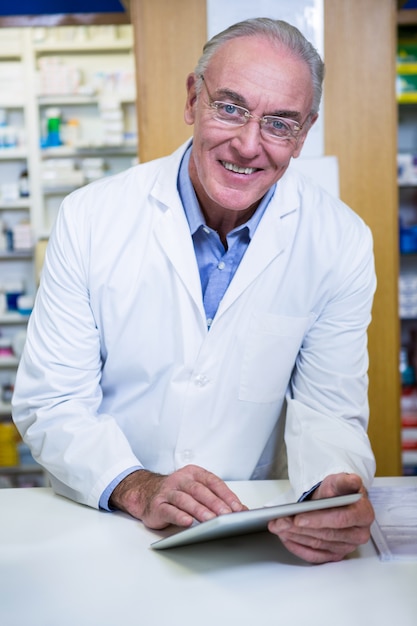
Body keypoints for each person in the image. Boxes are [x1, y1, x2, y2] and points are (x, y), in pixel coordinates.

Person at [12, 17, 376, 564]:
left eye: (280, 123)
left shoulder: (340, 240)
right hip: (106, 521)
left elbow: (329, 410)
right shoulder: (91, 217)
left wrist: (331, 491)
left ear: (303, 135)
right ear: (192, 99)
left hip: (247, 531)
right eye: (230, 107)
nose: (249, 144)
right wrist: (137, 485)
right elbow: (53, 401)